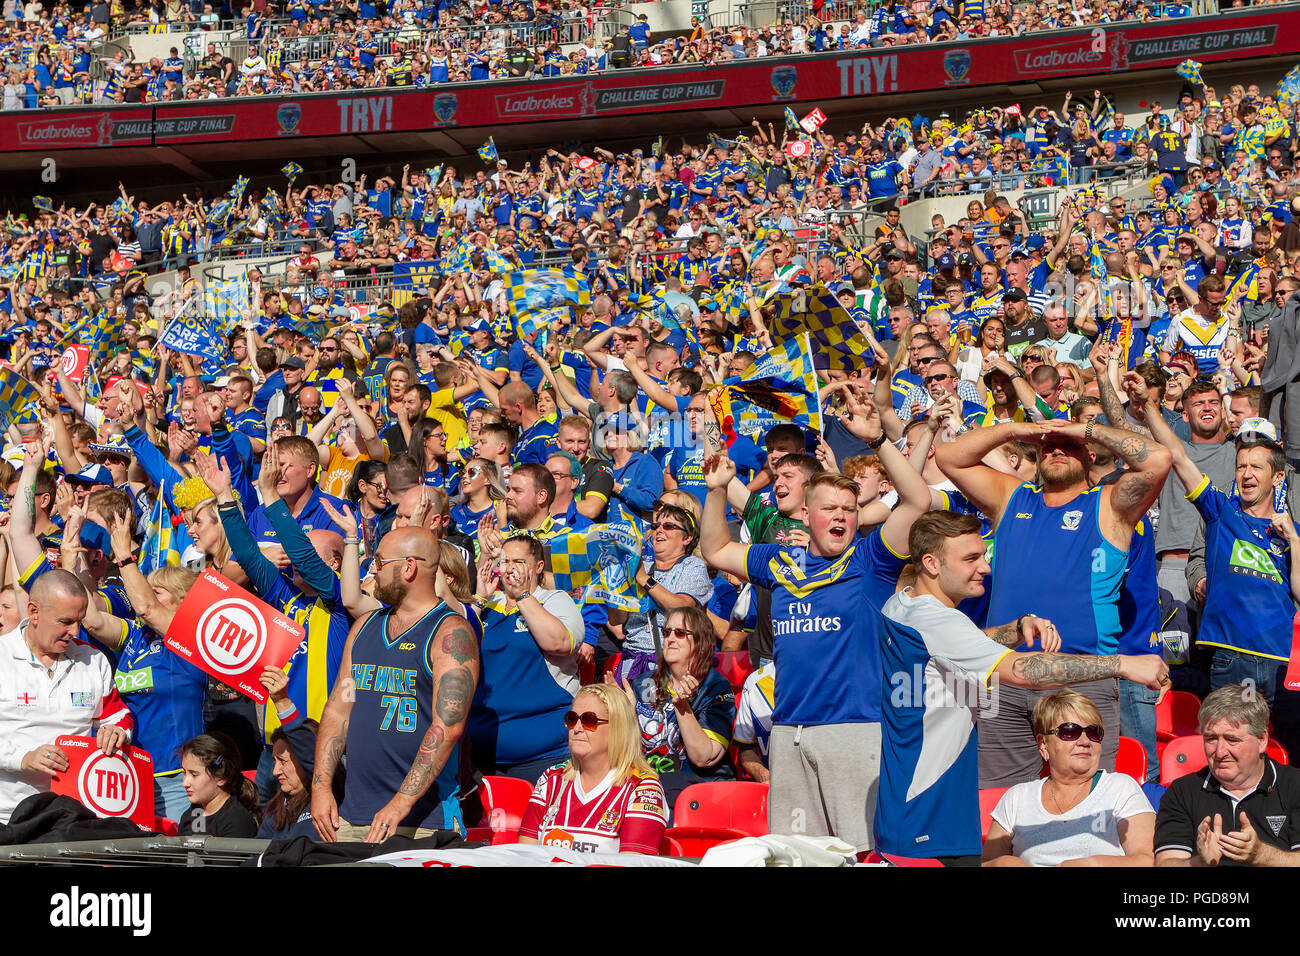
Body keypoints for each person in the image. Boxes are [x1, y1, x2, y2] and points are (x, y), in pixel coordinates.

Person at [700, 387, 931, 851]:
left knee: (859, 852)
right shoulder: (778, 562)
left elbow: (917, 502)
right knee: (794, 854)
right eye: (830, 508)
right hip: (788, 732)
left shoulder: (870, 561)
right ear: (807, 514)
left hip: (854, 730)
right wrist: (716, 490)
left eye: (849, 509)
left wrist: (878, 442)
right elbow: (716, 550)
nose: (842, 517)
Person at [877, 512, 1170, 864]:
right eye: (970, 559)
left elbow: (955, 644)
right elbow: (1025, 671)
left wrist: (1015, 630)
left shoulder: (901, 604)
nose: (985, 568)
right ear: (931, 563)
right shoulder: (940, 620)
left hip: (902, 805)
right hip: (932, 812)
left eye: (984, 555)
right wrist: (1124, 663)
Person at [936, 417, 1172, 786]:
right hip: (1007, 675)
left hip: (1081, 678)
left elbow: (1157, 458)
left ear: (1090, 454)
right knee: (998, 802)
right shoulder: (1013, 497)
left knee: (1083, 800)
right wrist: (1016, 431)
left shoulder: (1110, 506)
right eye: (1049, 445)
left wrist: (1084, 429)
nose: (1057, 450)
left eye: (1070, 445)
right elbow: (949, 457)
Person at [1140, 404, 1300, 759]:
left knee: (1287, 755)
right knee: (1229, 753)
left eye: (1256, 467)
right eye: (1241, 466)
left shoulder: (1293, 534)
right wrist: (1149, 407)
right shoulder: (1220, 512)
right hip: (1232, 658)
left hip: (1282, 663)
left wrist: (1295, 541)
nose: (1246, 474)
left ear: (1277, 477)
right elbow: (1179, 458)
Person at [311, 527, 480, 842]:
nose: (372, 570)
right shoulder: (364, 626)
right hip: (351, 816)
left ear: (409, 567)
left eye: (379, 561)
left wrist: (401, 802)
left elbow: (447, 727)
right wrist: (320, 787)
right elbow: (338, 711)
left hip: (422, 821)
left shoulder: (451, 633)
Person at [0, 570, 135, 825]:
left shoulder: (93, 659)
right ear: (34, 611)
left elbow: (120, 716)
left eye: (79, 620)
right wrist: (23, 758)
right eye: (65, 621)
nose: (75, 630)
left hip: (71, 817)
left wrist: (116, 731)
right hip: (6, 816)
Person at [983, 689, 1156, 866]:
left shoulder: (1121, 788)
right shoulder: (1017, 797)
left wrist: (1094, 864)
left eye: (1093, 732)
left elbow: (1148, 860)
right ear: (1043, 745)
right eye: (1070, 731)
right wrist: (1001, 864)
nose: (1085, 741)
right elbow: (986, 862)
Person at [468, 534, 583, 782]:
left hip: (544, 753)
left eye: (518, 562)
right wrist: (478, 600)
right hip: (480, 751)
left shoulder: (555, 600)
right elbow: (455, 649)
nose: (509, 569)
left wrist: (522, 597)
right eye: (505, 561)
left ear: (538, 567)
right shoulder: (488, 603)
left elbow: (559, 643)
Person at [1156, 684, 1300, 866]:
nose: (1219, 751)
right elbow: (1165, 862)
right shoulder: (1182, 791)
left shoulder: (1295, 785)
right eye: (1211, 738)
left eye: (1232, 739)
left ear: (1262, 740)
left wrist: (1261, 855)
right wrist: (1200, 862)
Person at [517, 683, 667, 855]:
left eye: (589, 720)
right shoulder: (551, 779)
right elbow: (525, 856)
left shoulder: (643, 788)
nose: (577, 729)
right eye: (572, 719)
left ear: (618, 727)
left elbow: (632, 862)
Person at [618, 605, 735, 809]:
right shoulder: (643, 683)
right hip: (650, 787)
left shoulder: (715, 687)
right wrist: (626, 716)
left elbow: (704, 757)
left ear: (700, 642)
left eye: (680, 633)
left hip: (698, 793)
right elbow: (631, 751)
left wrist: (682, 707)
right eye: (666, 631)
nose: (670, 638)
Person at [609, 499, 712, 683]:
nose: (659, 530)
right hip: (631, 663)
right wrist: (616, 586)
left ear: (687, 538)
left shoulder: (692, 566)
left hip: (670, 666)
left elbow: (682, 608)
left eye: (669, 526)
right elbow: (617, 620)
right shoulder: (641, 565)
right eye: (656, 525)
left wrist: (642, 578)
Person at [257, 667, 321, 841]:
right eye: (275, 761)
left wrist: (281, 700)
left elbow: (310, 751)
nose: (275, 771)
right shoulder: (276, 808)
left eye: (283, 761)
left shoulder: (329, 797)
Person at [178, 732, 260, 837]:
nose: (184, 783)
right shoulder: (192, 814)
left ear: (221, 777)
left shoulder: (236, 821)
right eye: (184, 772)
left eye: (194, 775)